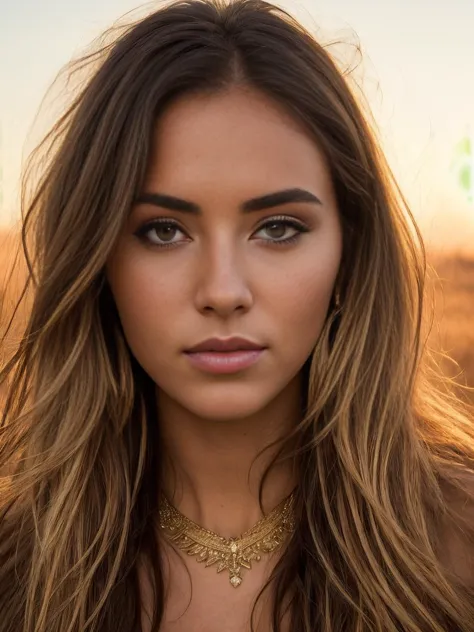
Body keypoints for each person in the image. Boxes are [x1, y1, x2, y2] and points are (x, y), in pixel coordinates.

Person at [1, 0, 473, 630]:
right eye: (164, 231)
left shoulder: (460, 551)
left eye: (278, 228)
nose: (223, 291)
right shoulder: (20, 576)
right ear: (98, 261)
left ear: (349, 253)